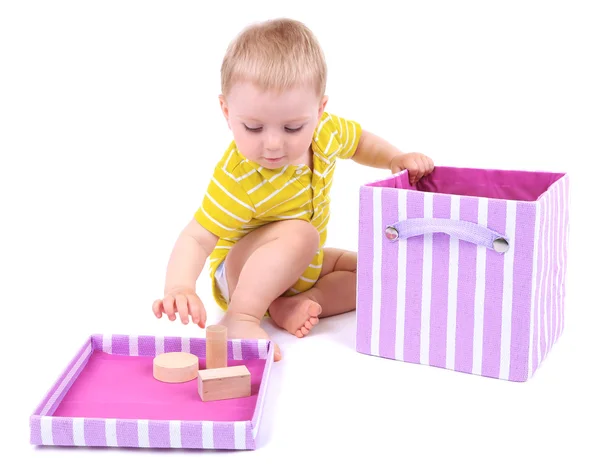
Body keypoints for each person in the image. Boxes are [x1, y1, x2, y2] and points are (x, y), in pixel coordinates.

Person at [152, 18, 434, 361]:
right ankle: (242, 317)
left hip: (301, 265)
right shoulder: (239, 177)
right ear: (227, 111)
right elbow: (198, 237)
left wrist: (395, 157)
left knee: (374, 272)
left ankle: (294, 305)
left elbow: (359, 142)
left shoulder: (326, 132)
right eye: (253, 127)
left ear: (319, 111)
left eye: (292, 127)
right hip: (240, 275)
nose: (272, 144)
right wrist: (180, 287)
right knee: (302, 234)